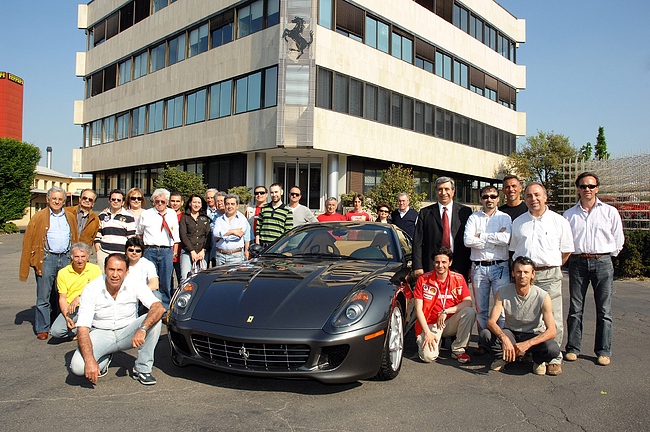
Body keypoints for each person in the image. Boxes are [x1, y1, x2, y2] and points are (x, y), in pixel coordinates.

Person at [509, 182, 574, 375]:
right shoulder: (519, 222)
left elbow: (566, 251)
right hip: (525, 276)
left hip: (549, 274)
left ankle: (553, 357)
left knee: (553, 317)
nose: (533, 199)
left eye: (537, 195)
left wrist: (550, 265)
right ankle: (532, 353)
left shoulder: (559, 221)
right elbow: (514, 250)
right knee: (528, 317)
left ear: (545, 197)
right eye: (529, 196)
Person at [69, 254, 164, 385]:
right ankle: (103, 358)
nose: (115, 274)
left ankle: (142, 369)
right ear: (105, 269)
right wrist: (90, 360)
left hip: (128, 331)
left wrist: (142, 328)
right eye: (111, 269)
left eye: (119, 270)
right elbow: (83, 328)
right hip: (101, 332)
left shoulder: (134, 283)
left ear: (127, 271)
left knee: (155, 319)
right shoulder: (92, 288)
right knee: (78, 368)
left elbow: (158, 307)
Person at [563, 172, 624, 366]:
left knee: (604, 310)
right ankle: (573, 348)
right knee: (575, 308)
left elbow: (618, 237)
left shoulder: (609, 212)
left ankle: (603, 350)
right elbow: (565, 240)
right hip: (578, 262)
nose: (587, 189)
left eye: (591, 186)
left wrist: (608, 255)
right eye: (583, 186)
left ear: (597, 188)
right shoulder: (569, 215)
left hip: (602, 262)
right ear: (578, 189)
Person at [479, 256, 561, 375]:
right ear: (513, 273)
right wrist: (504, 338)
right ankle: (504, 357)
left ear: (533, 274)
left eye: (526, 272)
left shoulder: (543, 296)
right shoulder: (502, 292)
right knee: (485, 335)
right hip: (511, 332)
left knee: (553, 349)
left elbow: (552, 331)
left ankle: (538, 361)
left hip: (533, 334)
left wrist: (527, 344)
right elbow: (491, 322)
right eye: (519, 272)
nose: (522, 276)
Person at [20, 186, 79, 339]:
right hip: (47, 258)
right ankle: (43, 328)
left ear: (64, 201)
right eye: (54, 198)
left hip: (66, 257)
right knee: (44, 295)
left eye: (60, 199)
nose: (57, 202)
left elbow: (75, 238)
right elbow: (28, 242)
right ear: (48, 199)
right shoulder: (39, 217)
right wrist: (28, 263)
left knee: (64, 294)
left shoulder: (70, 217)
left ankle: (62, 326)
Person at [464, 185, 511, 355]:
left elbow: (505, 239)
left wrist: (481, 236)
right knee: (481, 309)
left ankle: (501, 340)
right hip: (479, 267)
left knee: (503, 309)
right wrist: (494, 238)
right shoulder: (473, 218)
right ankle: (484, 342)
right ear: (481, 199)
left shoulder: (505, 217)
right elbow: (467, 241)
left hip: (500, 267)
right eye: (485, 196)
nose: (489, 199)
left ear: (498, 198)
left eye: (493, 196)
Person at [414, 247, 476, 364]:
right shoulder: (423, 280)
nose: (440, 265)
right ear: (433, 263)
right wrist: (427, 332)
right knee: (428, 357)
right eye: (437, 262)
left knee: (469, 312)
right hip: (430, 324)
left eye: (444, 262)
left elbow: (468, 302)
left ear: (450, 263)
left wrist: (446, 311)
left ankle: (459, 349)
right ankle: (435, 340)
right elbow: (418, 309)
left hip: (449, 322)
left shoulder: (459, 278)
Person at [413, 177, 472, 281]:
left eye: (447, 189)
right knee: (433, 296)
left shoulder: (465, 212)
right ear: (436, 191)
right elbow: (418, 241)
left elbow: (470, 241)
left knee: (456, 296)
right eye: (440, 189)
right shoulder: (425, 213)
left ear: (453, 191)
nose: (443, 192)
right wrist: (418, 266)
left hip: (459, 265)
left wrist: (471, 266)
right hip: (433, 264)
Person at [137, 188, 180, 310]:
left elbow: (175, 236)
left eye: (162, 201)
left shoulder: (171, 213)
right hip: (150, 250)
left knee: (166, 281)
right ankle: (149, 307)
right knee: (150, 280)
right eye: (157, 202)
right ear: (153, 202)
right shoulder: (146, 214)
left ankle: (165, 309)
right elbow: (139, 232)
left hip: (166, 251)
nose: (160, 204)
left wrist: (175, 252)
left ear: (167, 202)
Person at [51, 242, 102, 339]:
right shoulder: (63, 273)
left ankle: (84, 331)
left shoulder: (95, 269)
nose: (80, 260)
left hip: (90, 307)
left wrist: (80, 297)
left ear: (87, 257)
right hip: (72, 309)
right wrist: (67, 318)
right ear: (71, 257)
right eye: (76, 257)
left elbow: (98, 291)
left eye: (83, 256)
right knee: (56, 332)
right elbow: (62, 298)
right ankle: (82, 330)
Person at [94, 189, 136, 272]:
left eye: (118, 200)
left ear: (123, 202)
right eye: (113, 199)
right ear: (109, 201)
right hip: (104, 252)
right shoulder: (102, 215)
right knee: (103, 277)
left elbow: (131, 238)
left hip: (121, 253)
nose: (115, 201)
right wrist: (98, 251)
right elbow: (97, 235)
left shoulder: (129, 217)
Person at [179, 194, 211, 282]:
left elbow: (208, 236)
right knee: (185, 278)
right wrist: (192, 251)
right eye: (194, 202)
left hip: (202, 253)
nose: (196, 205)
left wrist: (203, 250)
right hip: (187, 252)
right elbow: (183, 235)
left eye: (198, 203)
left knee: (202, 279)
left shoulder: (205, 218)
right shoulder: (184, 218)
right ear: (190, 203)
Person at [214, 194, 252, 264]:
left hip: (235, 256)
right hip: (220, 255)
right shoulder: (219, 220)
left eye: (232, 204)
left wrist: (222, 236)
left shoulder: (242, 219)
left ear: (237, 206)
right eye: (227, 204)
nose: (230, 206)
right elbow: (215, 234)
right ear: (225, 205)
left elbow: (237, 236)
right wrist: (232, 231)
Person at [170, 191, 184, 289]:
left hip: (180, 254)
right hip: (168, 253)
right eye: (172, 201)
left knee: (181, 279)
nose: (175, 203)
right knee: (167, 280)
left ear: (182, 203)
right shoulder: (165, 216)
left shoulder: (184, 217)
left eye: (177, 201)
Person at [206, 189, 219, 267]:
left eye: (212, 197)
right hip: (205, 244)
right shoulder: (202, 210)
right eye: (208, 198)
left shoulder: (220, 212)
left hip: (215, 246)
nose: (210, 200)